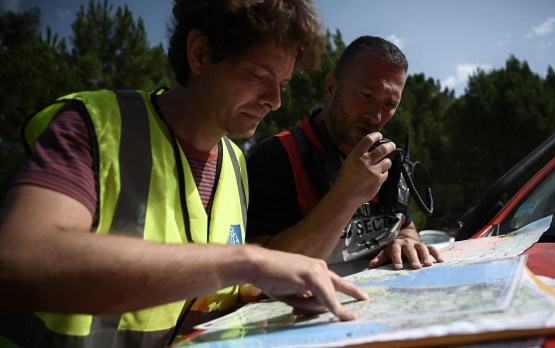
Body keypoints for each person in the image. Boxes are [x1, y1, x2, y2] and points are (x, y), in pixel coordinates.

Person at [0, 1, 369, 347]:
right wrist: (251, 262)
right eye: (259, 75)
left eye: (283, 84)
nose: (275, 100)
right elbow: (20, 260)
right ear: (200, 54)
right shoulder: (96, 126)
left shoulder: (234, 162)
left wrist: (264, 286)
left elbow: (211, 285)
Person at [246, 36, 444, 276]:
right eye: (366, 95)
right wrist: (346, 196)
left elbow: (407, 229)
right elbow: (258, 272)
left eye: (390, 104)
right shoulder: (275, 157)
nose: (376, 117)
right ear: (331, 88)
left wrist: (405, 240)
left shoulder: (387, 158)